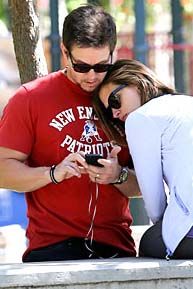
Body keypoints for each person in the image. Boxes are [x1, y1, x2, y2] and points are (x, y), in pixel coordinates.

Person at [0, 5, 139, 262]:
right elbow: (2, 171)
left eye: (102, 66)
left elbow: (150, 184)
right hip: (51, 249)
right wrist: (53, 173)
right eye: (82, 66)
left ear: (114, 52)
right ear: (65, 52)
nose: (92, 76)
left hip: (116, 247)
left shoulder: (130, 97)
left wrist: (117, 175)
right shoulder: (31, 98)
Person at [92, 58, 193, 259]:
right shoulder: (186, 102)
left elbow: (155, 206)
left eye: (114, 100)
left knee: (150, 241)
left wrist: (164, 229)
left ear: (135, 81)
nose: (115, 112)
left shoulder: (141, 118)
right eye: (109, 111)